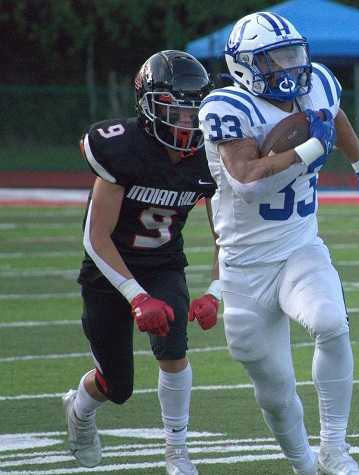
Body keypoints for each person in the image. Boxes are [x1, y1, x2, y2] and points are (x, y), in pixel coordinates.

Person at [198, 11, 359, 475]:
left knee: (330, 321)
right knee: (277, 393)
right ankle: (305, 465)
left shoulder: (317, 84)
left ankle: (336, 450)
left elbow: (334, 116)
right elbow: (245, 180)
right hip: (244, 267)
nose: (288, 68)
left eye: (292, 55)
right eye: (274, 60)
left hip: (300, 246)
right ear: (245, 65)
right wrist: (309, 148)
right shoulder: (228, 107)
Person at [63, 50, 219, 475]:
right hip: (109, 269)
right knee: (117, 386)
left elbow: (228, 232)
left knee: (174, 351)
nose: (186, 123)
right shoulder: (121, 148)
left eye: (193, 112)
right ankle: (79, 411)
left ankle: (177, 455)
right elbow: (95, 238)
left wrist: (216, 291)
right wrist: (135, 296)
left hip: (164, 263)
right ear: (149, 106)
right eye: (175, 111)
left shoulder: (210, 157)